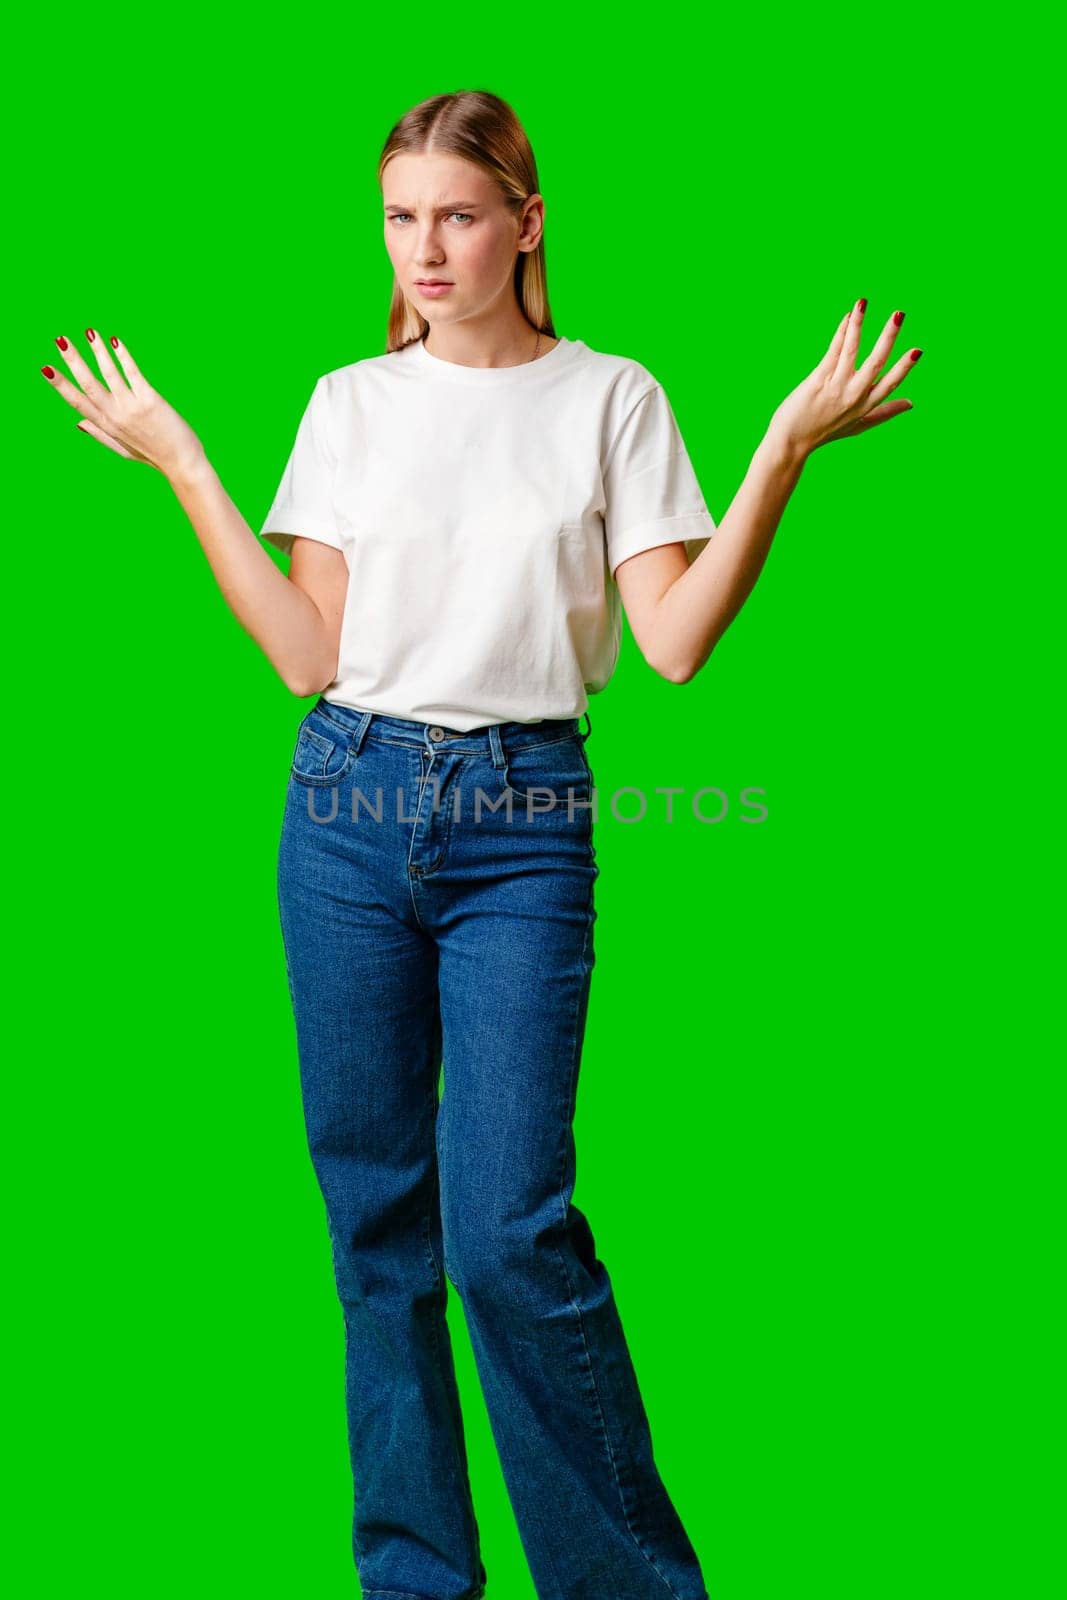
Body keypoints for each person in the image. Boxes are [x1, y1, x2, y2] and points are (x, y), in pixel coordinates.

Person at [40, 87, 922, 1600]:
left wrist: (781, 450)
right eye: (400, 218)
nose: (426, 248)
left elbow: (676, 643)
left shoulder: (611, 399)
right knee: (377, 1221)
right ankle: (416, 1580)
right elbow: (307, 656)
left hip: (526, 825)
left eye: (457, 214)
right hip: (346, 810)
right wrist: (187, 465)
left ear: (526, 219)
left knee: (511, 1224)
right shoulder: (348, 404)